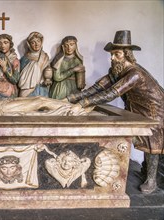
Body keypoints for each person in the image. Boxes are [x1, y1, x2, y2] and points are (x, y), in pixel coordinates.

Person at [67, 30, 164, 194]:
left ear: (127, 54)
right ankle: (144, 172)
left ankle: (151, 180)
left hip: (154, 109)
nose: (112, 58)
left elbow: (111, 93)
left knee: (152, 144)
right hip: (138, 108)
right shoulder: (117, 71)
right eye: (112, 54)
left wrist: (82, 104)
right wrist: (72, 97)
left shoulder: (135, 74)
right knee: (144, 141)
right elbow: (99, 87)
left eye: (117, 54)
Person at [18, 32, 50, 97]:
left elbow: (48, 72)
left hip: (41, 88)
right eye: (33, 42)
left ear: (41, 42)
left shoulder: (45, 57)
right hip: (28, 90)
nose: (36, 44)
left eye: (38, 41)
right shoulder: (25, 59)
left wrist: (47, 79)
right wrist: (33, 66)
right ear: (29, 44)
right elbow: (21, 76)